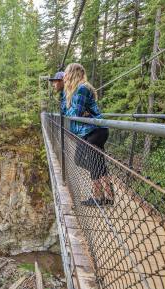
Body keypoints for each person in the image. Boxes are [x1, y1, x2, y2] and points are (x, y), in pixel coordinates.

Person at [54, 63, 114, 206]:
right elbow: (65, 113)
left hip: (94, 130)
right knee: (91, 161)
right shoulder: (74, 90)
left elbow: (74, 114)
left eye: (66, 73)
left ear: (72, 73)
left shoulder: (82, 89)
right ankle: (108, 194)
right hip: (88, 131)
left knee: (89, 161)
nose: (65, 76)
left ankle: (99, 197)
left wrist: (74, 110)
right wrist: (63, 94)